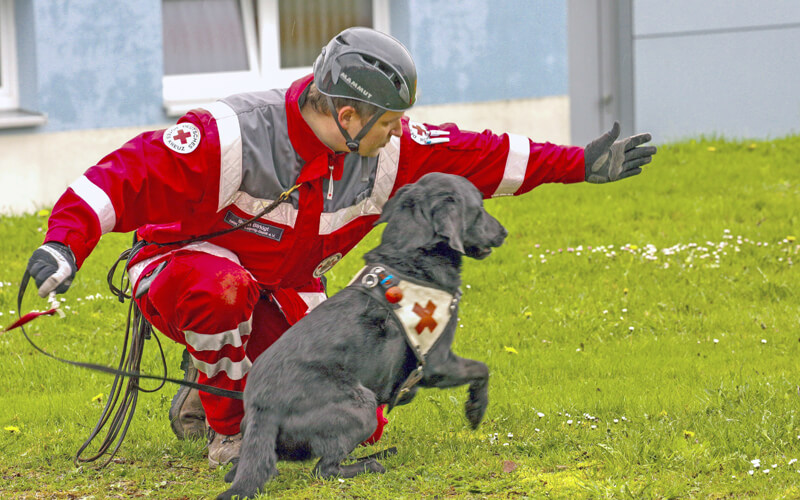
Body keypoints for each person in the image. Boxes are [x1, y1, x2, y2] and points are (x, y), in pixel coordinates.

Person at [26, 27, 656, 467]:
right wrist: (63, 247)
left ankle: (213, 383)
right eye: (387, 120)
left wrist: (582, 163)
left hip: (287, 286)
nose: (398, 131)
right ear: (350, 116)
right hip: (184, 271)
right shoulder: (231, 135)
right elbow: (120, 176)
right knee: (221, 293)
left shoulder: (389, 146)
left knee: (351, 415)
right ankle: (227, 427)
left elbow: (484, 156)